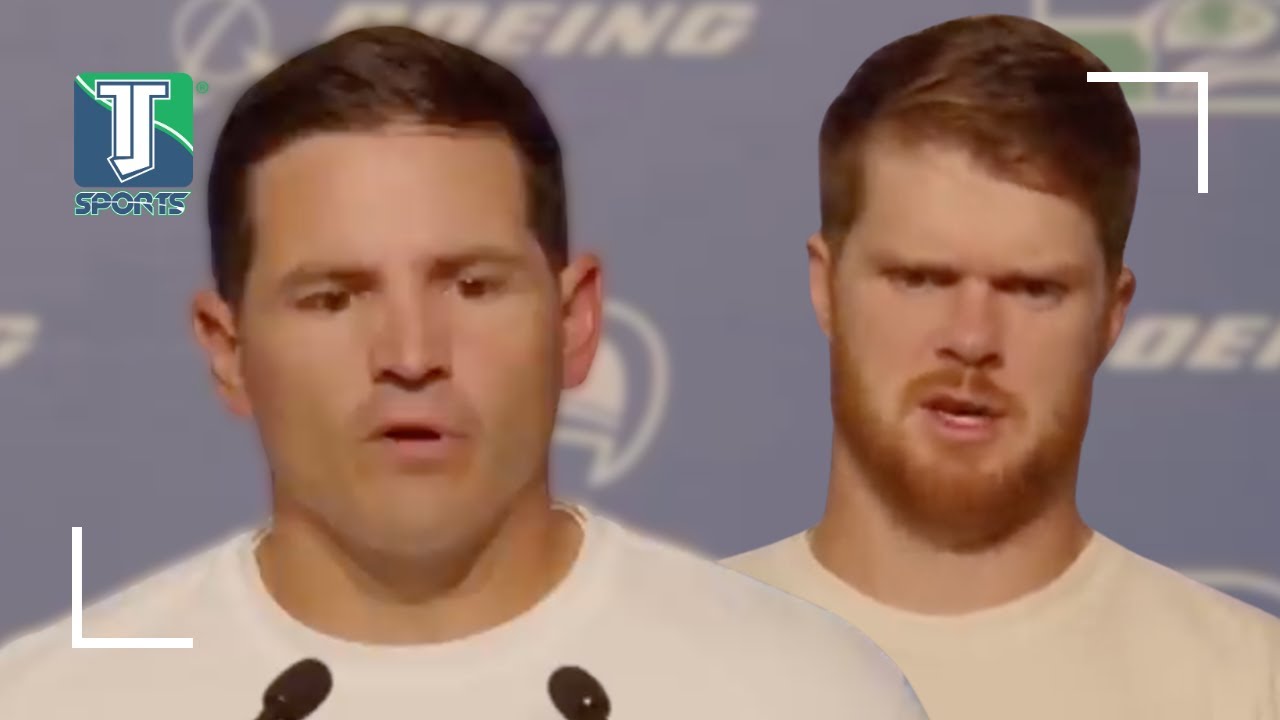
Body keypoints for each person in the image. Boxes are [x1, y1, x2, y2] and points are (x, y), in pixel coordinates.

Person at [0, 26, 926, 720]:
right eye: (332, 298)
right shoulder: (57, 702)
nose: (410, 356)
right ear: (226, 351)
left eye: (473, 286)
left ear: (574, 321)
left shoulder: (802, 694)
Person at [723, 13, 1280, 720]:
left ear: (1111, 314)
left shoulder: (1253, 687)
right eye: (921, 279)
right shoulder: (651, 674)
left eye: (1033, 290)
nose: (972, 338)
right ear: (826, 286)